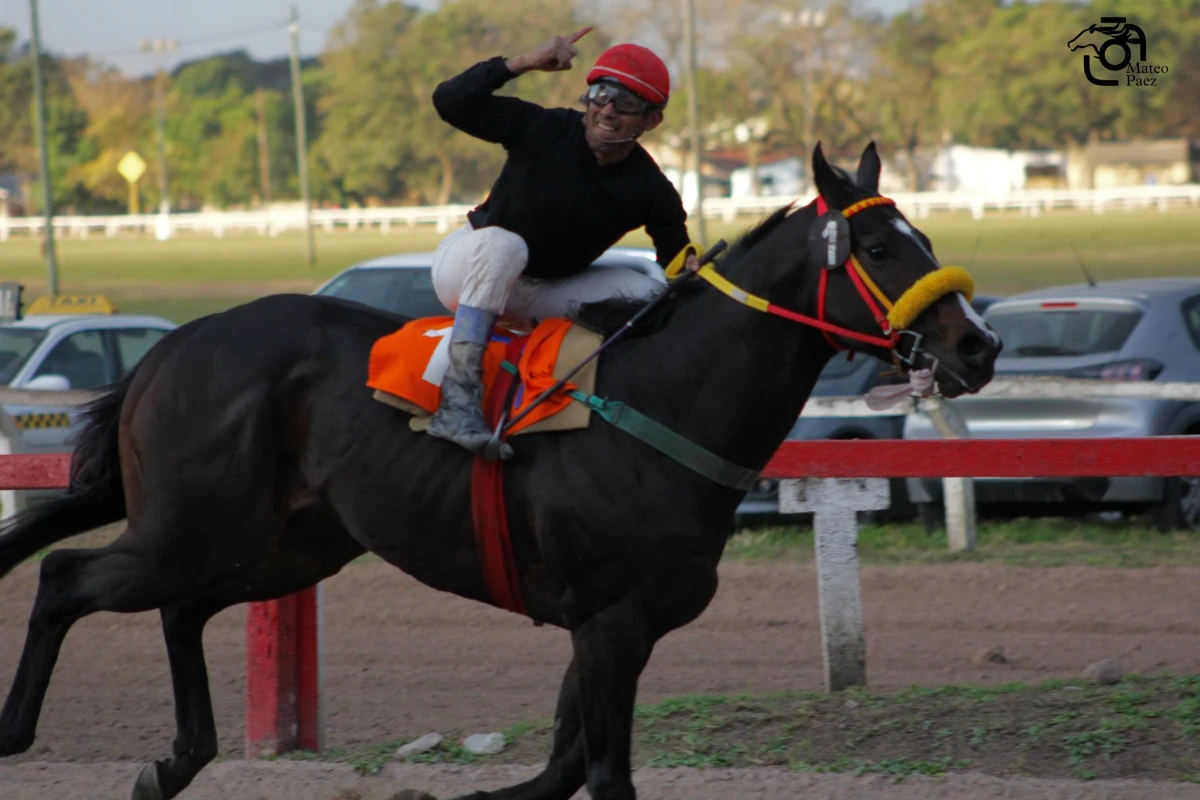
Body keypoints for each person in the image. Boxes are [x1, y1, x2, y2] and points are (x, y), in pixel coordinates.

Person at [426, 27, 699, 458]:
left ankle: (615, 409)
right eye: (601, 94)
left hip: (543, 291)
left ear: (651, 121)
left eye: (626, 103)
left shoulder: (652, 189)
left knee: (648, 295)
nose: (607, 110)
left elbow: (678, 266)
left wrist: (695, 272)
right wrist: (525, 62)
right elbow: (449, 101)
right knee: (506, 247)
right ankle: (458, 400)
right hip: (470, 265)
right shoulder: (543, 126)